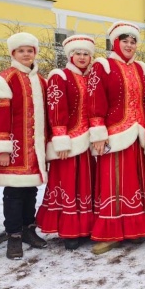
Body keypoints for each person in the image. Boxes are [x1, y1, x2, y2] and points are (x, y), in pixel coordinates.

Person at [88, 21, 145, 252]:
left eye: (133, 42)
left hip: (136, 135)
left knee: (134, 182)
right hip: (113, 135)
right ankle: (111, 233)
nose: (129, 45)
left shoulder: (140, 68)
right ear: (115, 43)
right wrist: (98, 132)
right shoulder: (103, 66)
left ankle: (134, 228)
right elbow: (95, 99)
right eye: (124, 41)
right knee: (112, 183)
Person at [0, 32, 48, 260]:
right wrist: (2, 147)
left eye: (30, 50)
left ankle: (27, 230)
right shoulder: (4, 78)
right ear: (13, 53)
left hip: (35, 149)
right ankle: (13, 236)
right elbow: (0, 115)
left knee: (31, 190)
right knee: (13, 193)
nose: (26, 54)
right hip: (14, 147)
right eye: (21, 50)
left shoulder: (41, 81)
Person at [35, 34, 95, 250]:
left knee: (86, 186)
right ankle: (69, 231)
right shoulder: (60, 76)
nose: (82, 57)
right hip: (68, 142)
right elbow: (55, 107)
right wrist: (60, 138)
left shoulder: (91, 78)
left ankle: (85, 227)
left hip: (89, 142)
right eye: (78, 53)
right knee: (68, 183)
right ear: (70, 55)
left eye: (85, 54)